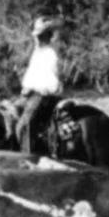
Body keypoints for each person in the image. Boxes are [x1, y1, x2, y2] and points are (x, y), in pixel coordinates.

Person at [15, 15, 63, 155]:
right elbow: (32, 75)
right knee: (10, 113)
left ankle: (28, 157)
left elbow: (51, 82)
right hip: (30, 93)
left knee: (26, 124)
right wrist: (26, 87)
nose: (37, 39)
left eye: (40, 36)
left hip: (43, 95)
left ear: (47, 36)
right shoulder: (37, 53)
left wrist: (33, 87)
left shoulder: (50, 54)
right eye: (37, 36)